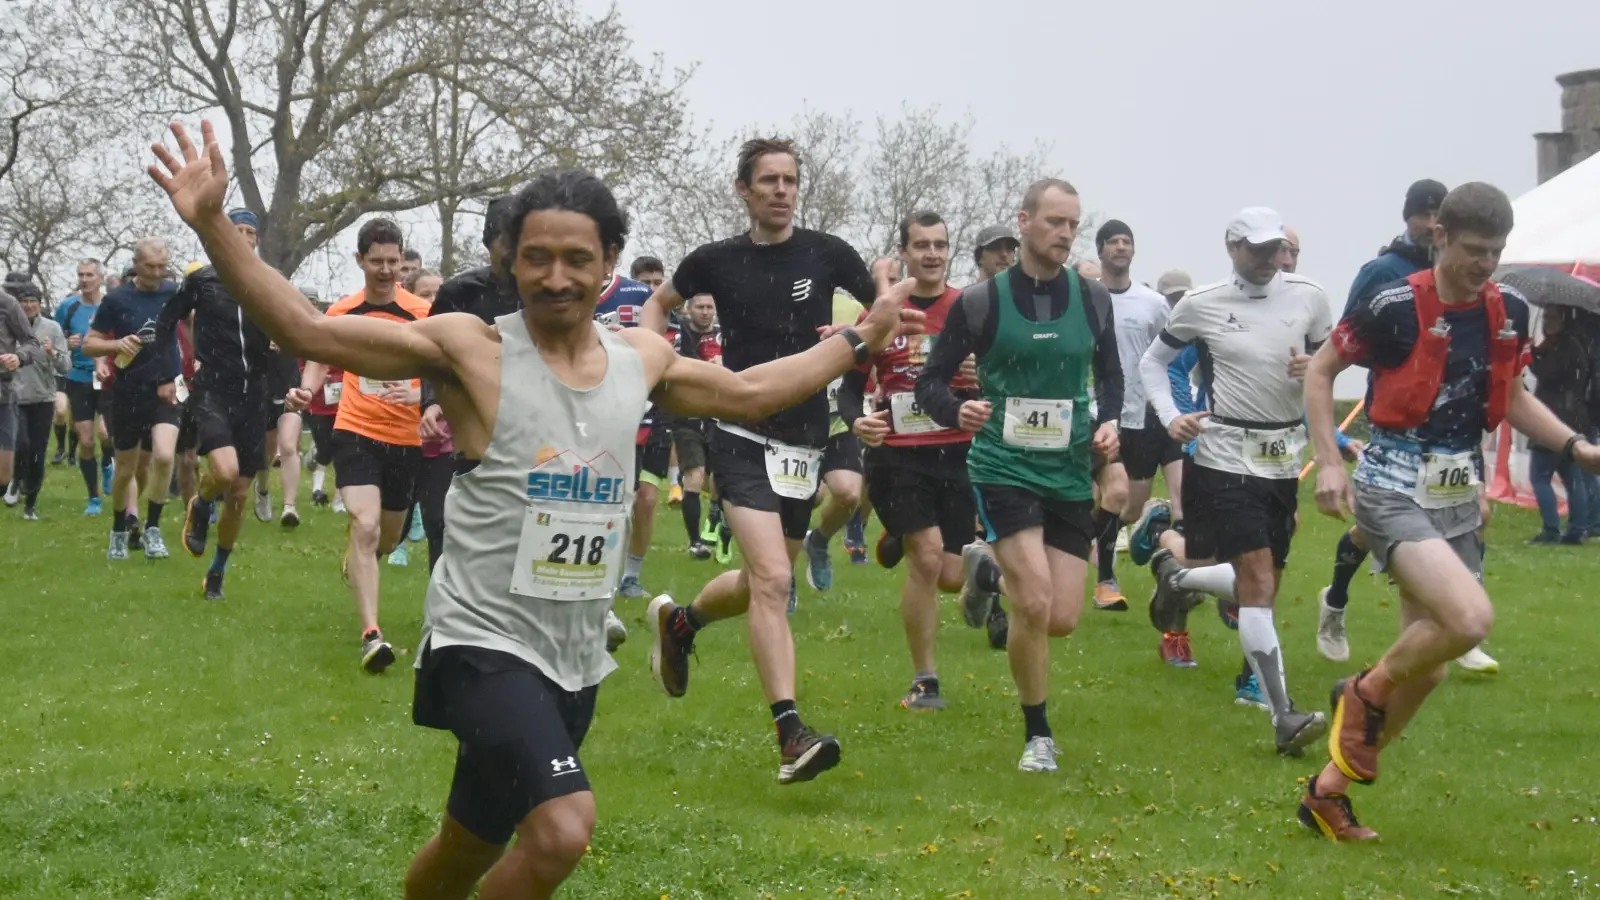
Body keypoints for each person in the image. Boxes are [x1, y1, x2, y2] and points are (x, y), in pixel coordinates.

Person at [147, 121, 915, 898]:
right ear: (509, 260)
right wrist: (213, 223)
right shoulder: (469, 348)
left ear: (610, 264)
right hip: (481, 641)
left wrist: (863, 334)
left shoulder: (639, 360)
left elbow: (753, 392)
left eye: (577, 259)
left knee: (463, 847)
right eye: (536, 258)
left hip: (574, 651)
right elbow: (304, 328)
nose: (556, 277)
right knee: (561, 828)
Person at [1297, 181, 1600, 842]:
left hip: (1457, 493)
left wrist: (1577, 448)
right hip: (1392, 484)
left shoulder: (1511, 308)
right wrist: (1326, 460)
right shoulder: (1391, 305)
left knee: (1429, 666)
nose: (1485, 264)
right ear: (1438, 235)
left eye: (1495, 252)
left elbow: (1513, 397)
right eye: (1472, 250)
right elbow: (1320, 373)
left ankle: (1328, 792)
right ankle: (1363, 690)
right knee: (1469, 620)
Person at [639, 136, 882, 783]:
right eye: (768, 180)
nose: (781, 189)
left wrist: (859, 347)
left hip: (805, 441)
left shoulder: (828, 254)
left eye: (790, 180)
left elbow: (882, 311)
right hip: (739, 431)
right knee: (775, 581)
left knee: (759, 585)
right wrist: (654, 366)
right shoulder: (714, 261)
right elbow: (656, 308)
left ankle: (681, 622)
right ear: (743, 189)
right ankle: (790, 733)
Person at [915, 178, 1123, 772]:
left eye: (1073, 225)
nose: (1065, 234)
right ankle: (1038, 733)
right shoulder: (980, 303)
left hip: (1068, 468)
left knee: (1059, 618)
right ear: (1024, 221)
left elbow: (1111, 378)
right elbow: (931, 382)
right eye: (1055, 222)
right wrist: (958, 411)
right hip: (1003, 466)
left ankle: (986, 575)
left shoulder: (1092, 300)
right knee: (1033, 602)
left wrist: (1109, 423)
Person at [1138, 207, 1330, 754]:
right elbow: (1155, 365)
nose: (1270, 260)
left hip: (1283, 459)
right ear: (1232, 248)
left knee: (1263, 579)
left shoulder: (1310, 296)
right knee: (1259, 580)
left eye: (1276, 249)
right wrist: (1169, 413)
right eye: (1258, 250)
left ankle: (1176, 577)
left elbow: (1332, 359)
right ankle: (1282, 714)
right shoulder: (1203, 303)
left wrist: (1314, 367)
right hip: (1224, 456)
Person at [840, 211, 982, 709]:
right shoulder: (880, 314)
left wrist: (977, 374)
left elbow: (999, 381)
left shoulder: (970, 308)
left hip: (957, 452)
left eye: (940, 244)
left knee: (951, 574)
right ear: (904, 251)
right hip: (898, 456)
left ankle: (899, 534)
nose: (931, 254)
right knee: (925, 560)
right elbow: (850, 390)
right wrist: (858, 422)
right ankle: (926, 680)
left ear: (949, 250)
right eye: (921, 245)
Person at [1317, 178, 1450, 664]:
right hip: (1394, 417)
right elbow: (1345, 342)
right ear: (1408, 217)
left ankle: (1452, 622)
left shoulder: (1457, 271)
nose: (1433, 223)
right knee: (1381, 524)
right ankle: (1335, 599)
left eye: (1441, 214)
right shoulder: (1382, 272)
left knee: (1462, 516)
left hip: (1450, 423)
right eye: (1425, 213)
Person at [289, 218, 431, 672]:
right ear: (360, 261)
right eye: (378, 262)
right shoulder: (342, 313)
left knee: (386, 538)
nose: (388, 271)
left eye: (395, 262)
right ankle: (372, 635)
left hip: (407, 439)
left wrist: (420, 394)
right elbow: (318, 357)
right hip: (356, 431)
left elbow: (443, 368)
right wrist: (306, 390)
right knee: (364, 526)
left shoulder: (425, 314)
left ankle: (360, 561)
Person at [155, 211, 276, 600]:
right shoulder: (203, 279)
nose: (243, 238)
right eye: (236, 230)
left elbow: (297, 327)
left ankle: (218, 572)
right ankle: (202, 501)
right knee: (223, 473)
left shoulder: (268, 281)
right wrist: (164, 373)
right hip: (213, 390)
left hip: (254, 394)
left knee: (240, 494)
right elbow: (166, 321)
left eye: (250, 233)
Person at [1087, 220, 1182, 618]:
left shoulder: (1152, 302)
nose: (1121, 247)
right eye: (1114, 242)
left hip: (1141, 413)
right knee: (1119, 490)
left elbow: (1168, 351)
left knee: (1129, 507)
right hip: (1095, 410)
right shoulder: (1086, 299)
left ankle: (1105, 534)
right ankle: (1105, 580)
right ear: (1101, 250)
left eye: (1127, 241)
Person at [84, 237, 183, 560]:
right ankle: (118, 530)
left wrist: (199, 360)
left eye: (162, 266)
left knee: (165, 457)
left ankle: (153, 529)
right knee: (125, 468)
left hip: (166, 389)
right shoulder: (117, 299)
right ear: (136, 265)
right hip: (128, 390)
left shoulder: (173, 293)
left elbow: (194, 323)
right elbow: (89, 344)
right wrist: (115, 346)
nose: (157, 273)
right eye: (150, 266)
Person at [1525, 305, 1592, 544]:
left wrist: (1530, 354)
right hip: (1573, 418)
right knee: (1572, 477)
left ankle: (1552, 530)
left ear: (1564, 320)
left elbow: (1548, 373)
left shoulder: (1563, 346)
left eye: (1552, 318)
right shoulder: (1574, 343)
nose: (1546, 322)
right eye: (1545, 317)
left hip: (1555, 418)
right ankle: (1577, 530)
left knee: (1540, 476)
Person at [54, 260, 114, 514]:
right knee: (86, 441)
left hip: (108, 377)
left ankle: (108, 464)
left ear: (101, 278)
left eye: (90, 274)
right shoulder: (68, 307)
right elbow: (55, 342)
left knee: (105, 434)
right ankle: (94, 497)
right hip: (78, 378)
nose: (85, 279)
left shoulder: (112, 305)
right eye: (81, 274)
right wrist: (67, 343)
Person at [7, 282, 68, 519]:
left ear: (40, 304)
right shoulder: (8, 327)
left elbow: (66, 366)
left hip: (43, 397)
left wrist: (53, 353)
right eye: (24, 301)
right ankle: (16, 478)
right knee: (20, 444)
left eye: (33, 301)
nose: (29, 305)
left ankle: (31, 502)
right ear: (18, 304)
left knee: (38, 452)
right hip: (14, 396)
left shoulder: (52, 328)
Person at [671, 292, 723, 560]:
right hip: (688, 416)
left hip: (718, 415)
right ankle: (695, 543)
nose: (705, 312)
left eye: (709, 307)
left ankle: (715, 517)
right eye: (700, 307)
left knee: (721, 479)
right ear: (689, 309)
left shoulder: (723, 336)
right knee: (695, 476)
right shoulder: (679, 335)